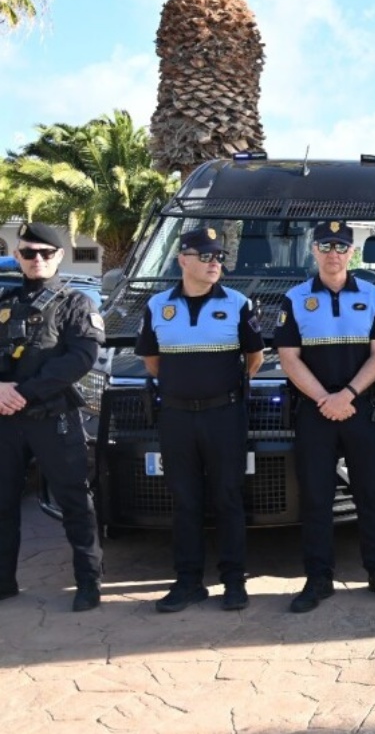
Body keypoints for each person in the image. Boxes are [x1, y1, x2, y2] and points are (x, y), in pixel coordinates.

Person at [275, 221, 375, 613]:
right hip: (316, 412)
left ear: (352, 252)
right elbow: (288, 358)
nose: (333, 253)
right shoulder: (295, 299)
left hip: (360, 409)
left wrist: (347, 395)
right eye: (326, 246)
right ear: (313, 251)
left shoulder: (373, 295)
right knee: (316, 498)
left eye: (341, 246)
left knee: (372, 494)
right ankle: (318, 580)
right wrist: (324, 399)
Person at [136, 227, 264, 612]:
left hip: (223, 415)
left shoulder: (239, 303)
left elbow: (253, 359)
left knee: (227, 498)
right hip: (176, 416)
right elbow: (151, 361)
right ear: (183, 261)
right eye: (206, 256)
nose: (214, 263)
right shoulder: (158, 306)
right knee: (185, 501)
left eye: (219, 257)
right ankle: (188, 582)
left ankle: (233, 582)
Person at [0, 222, 104, 612]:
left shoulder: (76, 303)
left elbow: (80, 358)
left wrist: (21, 393)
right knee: (3, 502)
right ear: (19, 256)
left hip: (53, 417)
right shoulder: (4, 302)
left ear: (59, 256)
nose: (37, 259)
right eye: (29, 253)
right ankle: (3, 582)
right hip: (6, 420)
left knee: (74, 500)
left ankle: (89, 583)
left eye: (46, 253)